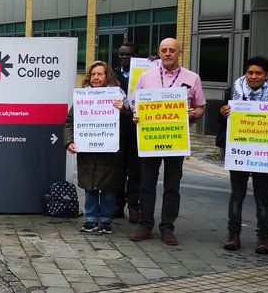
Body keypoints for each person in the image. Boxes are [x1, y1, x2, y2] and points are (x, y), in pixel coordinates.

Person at [129, 37, 206, 246]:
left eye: (172, 50)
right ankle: (145, 225)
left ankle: (167, 228)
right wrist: (136, 114)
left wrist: (194, 113)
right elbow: (135, 103)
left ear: (179, 53)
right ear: (159, 53)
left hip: (176, 139)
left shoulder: (192, 78)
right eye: (164, 50)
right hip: (151, 138)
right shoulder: (146, 77)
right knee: (146, 184)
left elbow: (200, 107)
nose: (168, 53)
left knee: (172, 185)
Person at [216, 56, 268, 255]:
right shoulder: (233, 92)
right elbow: (222, 123)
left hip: (264, 153)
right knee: (236, 195)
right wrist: (222, 114)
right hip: (240, 151)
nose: (254, 77)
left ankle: (263, 239)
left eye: (258, 73)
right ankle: (233, 236)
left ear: (267, 75)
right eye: (250, 72)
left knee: (262, 197)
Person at [66, 61, 126, 234]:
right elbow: (70, 121)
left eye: (100, 74)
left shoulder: (119, 96)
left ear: (107, 76)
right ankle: (91, 219)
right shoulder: (82, 97)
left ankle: (106, 221)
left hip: (110, 152)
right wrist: (69, 141)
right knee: (89, 186)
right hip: (88, 151)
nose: (96, 78)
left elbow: (131, 122)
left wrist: (123, 110)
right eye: (93, 74)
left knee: (108, 187)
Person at [115, 41, 141, 223]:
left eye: (128, 54)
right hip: (117, 129)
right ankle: (118, 204)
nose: (124, 57)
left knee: (135, 170)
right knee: (118, 169)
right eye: (122, 54)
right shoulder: (113, 74)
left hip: (137, 129)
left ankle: (134, 206)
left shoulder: (144, 74)